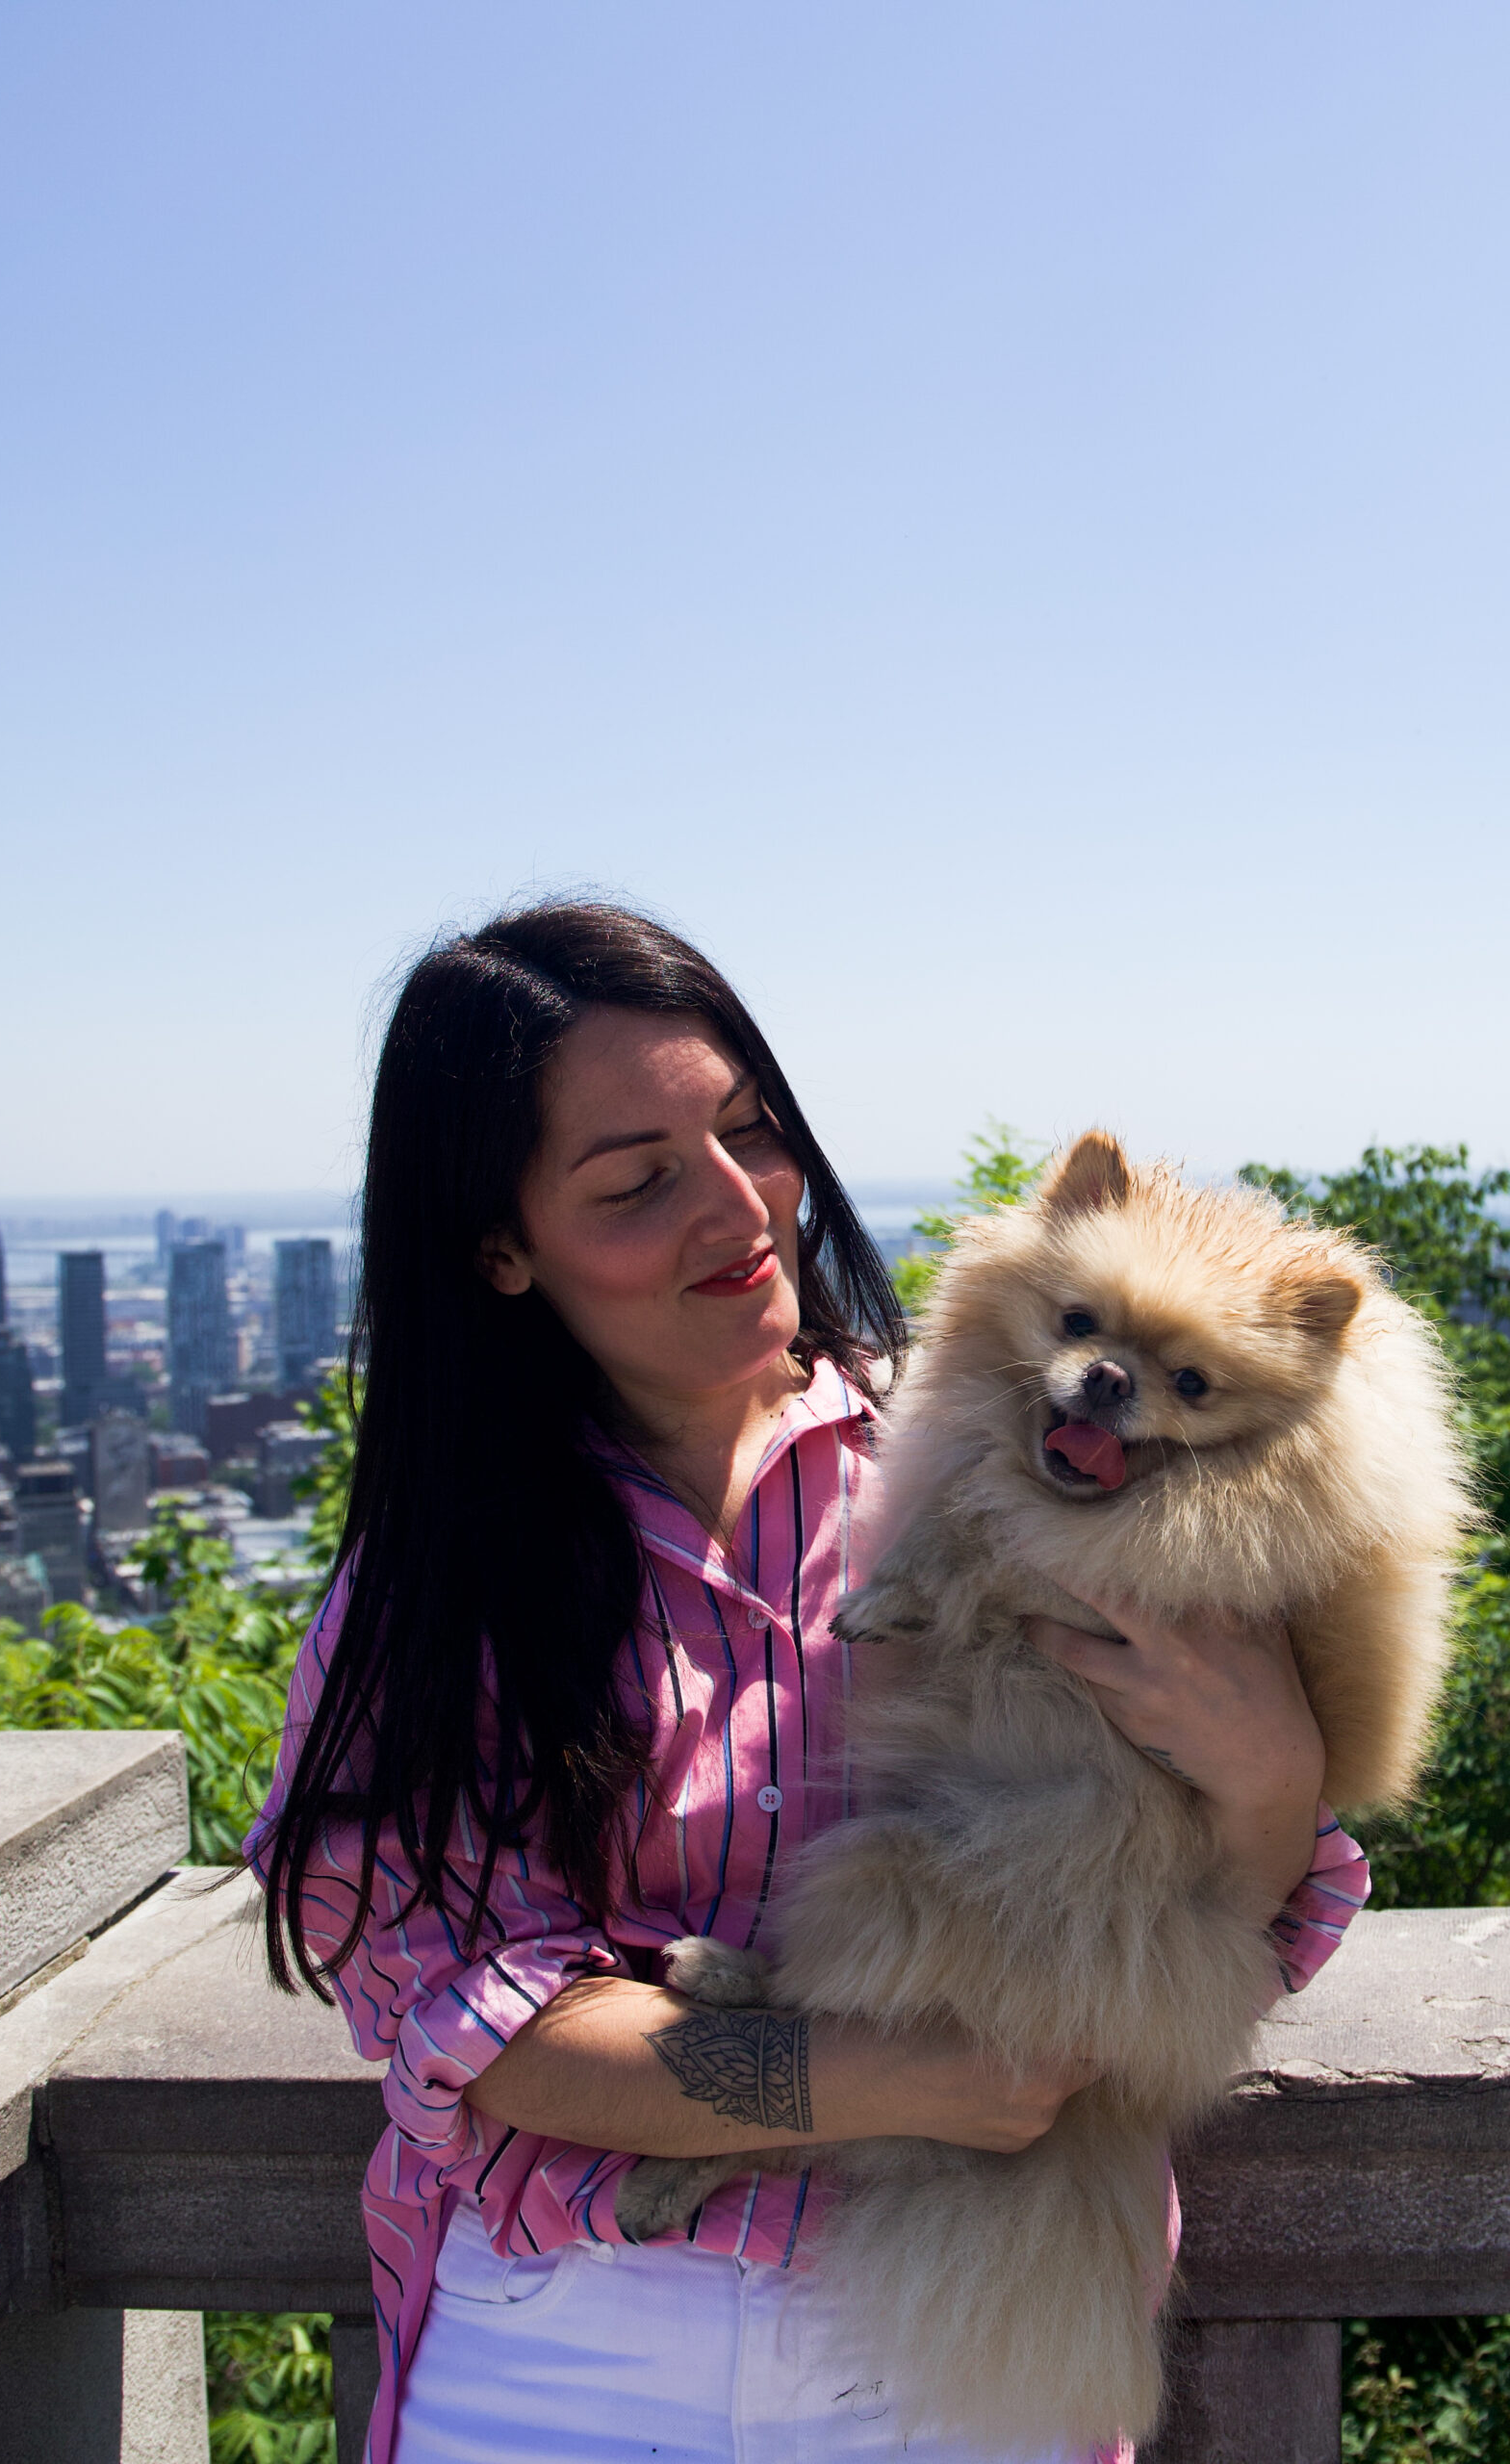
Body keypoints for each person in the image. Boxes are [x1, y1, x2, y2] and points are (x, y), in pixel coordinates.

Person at [246, 901, 1367, 2464]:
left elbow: (1208, 1929)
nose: (738, 1206)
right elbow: (483, 2027)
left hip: (967, 2335)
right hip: (567, 2360)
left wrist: (1269, 1782)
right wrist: (891, 2076)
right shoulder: (444, 1581)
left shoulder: (1016, 1470)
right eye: (636, 1182)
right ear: (500, 1246)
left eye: (752, 1131)